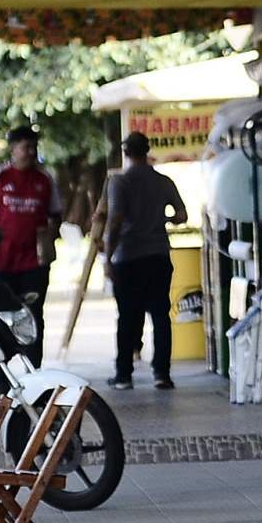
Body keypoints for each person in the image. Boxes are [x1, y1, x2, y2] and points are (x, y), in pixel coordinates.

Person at [102, 130, 189, 389]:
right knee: (161, 315)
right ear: (147, 150)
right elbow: (182, 215)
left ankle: (124, 375)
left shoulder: (119, 183)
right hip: (158, 255)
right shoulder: (163, 181)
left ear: (126, 153)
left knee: (127, 316)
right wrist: (162, 220)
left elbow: (115, 220)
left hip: (128, 257)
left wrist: (108, 256)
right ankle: (162, 373)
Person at [0, 127, 62, 362]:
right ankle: (3, 372)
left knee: (33, 316)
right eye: (26, 147)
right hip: (4, 262)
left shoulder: (45, 179)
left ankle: (34, 369)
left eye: (34, 147)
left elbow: (56, 214)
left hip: (35, 264)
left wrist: (49, 237)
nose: (31, 152)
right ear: (13, 149)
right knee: (1, 316)